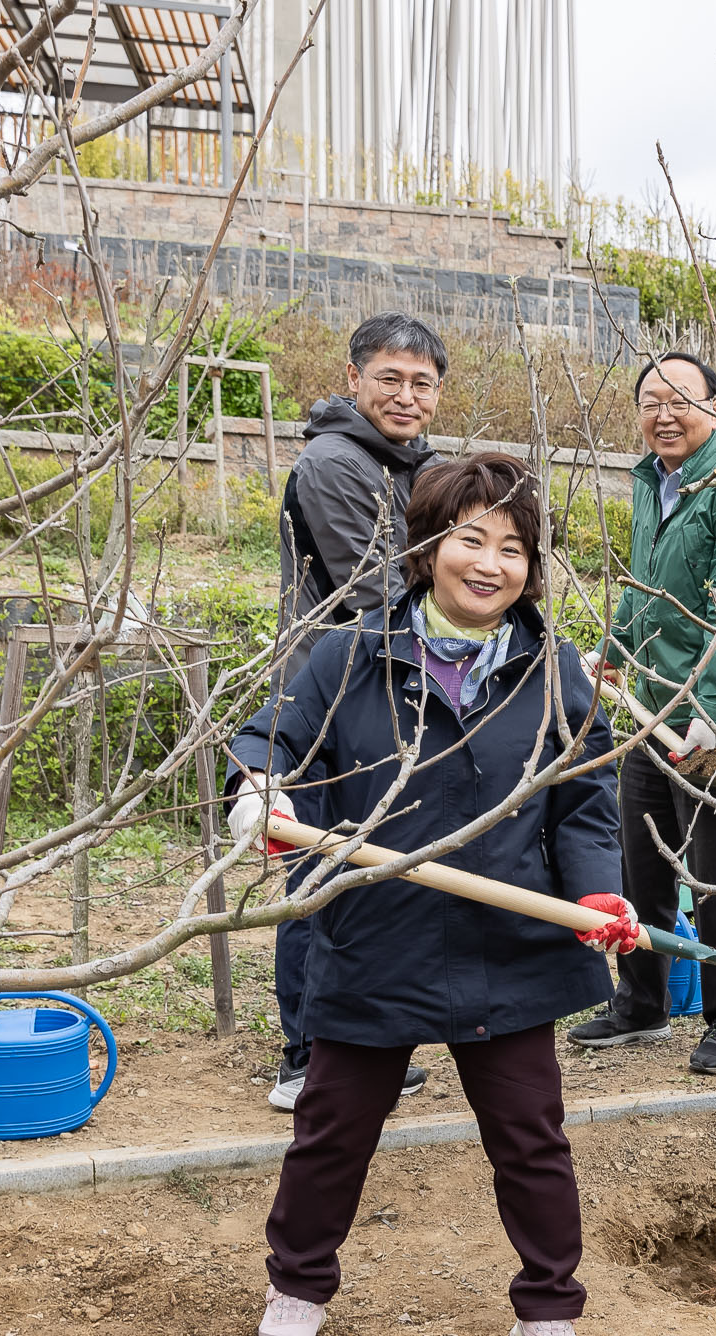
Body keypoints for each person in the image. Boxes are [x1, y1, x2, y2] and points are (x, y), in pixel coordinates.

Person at [230, 453, 632, 1336]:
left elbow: (584, 801)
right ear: (429, 546)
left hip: (509, 944)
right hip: (377, 934)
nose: (489, 563)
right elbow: (269, 738)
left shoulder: (554, 671)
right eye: (470, 538)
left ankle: (548, 1303)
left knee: (532, 1134)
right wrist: (258, 790)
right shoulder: (351, 653)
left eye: (514, 547)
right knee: (331, 1130)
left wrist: (597, 893)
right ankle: (297, 1288)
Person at [570, 352, 716, 1074]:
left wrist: (714, 712)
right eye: (650, 401)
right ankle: (642, 1002)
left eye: (680, 399)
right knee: (645, 863)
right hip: (653, 708)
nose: (664, 413)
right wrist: (614, 648)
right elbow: (644, 588)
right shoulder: (651, 483)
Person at [265, 312, 448, 1112]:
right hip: (331, 697)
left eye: (422, 383)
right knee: (320, 868)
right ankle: (306, 1055)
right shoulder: (336, 464)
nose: (406, 396)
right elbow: (379, 593)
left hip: (379, 690)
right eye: (390, 379)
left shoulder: (404, 463)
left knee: (363, 869)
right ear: (354, 380)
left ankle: (352, 1042)